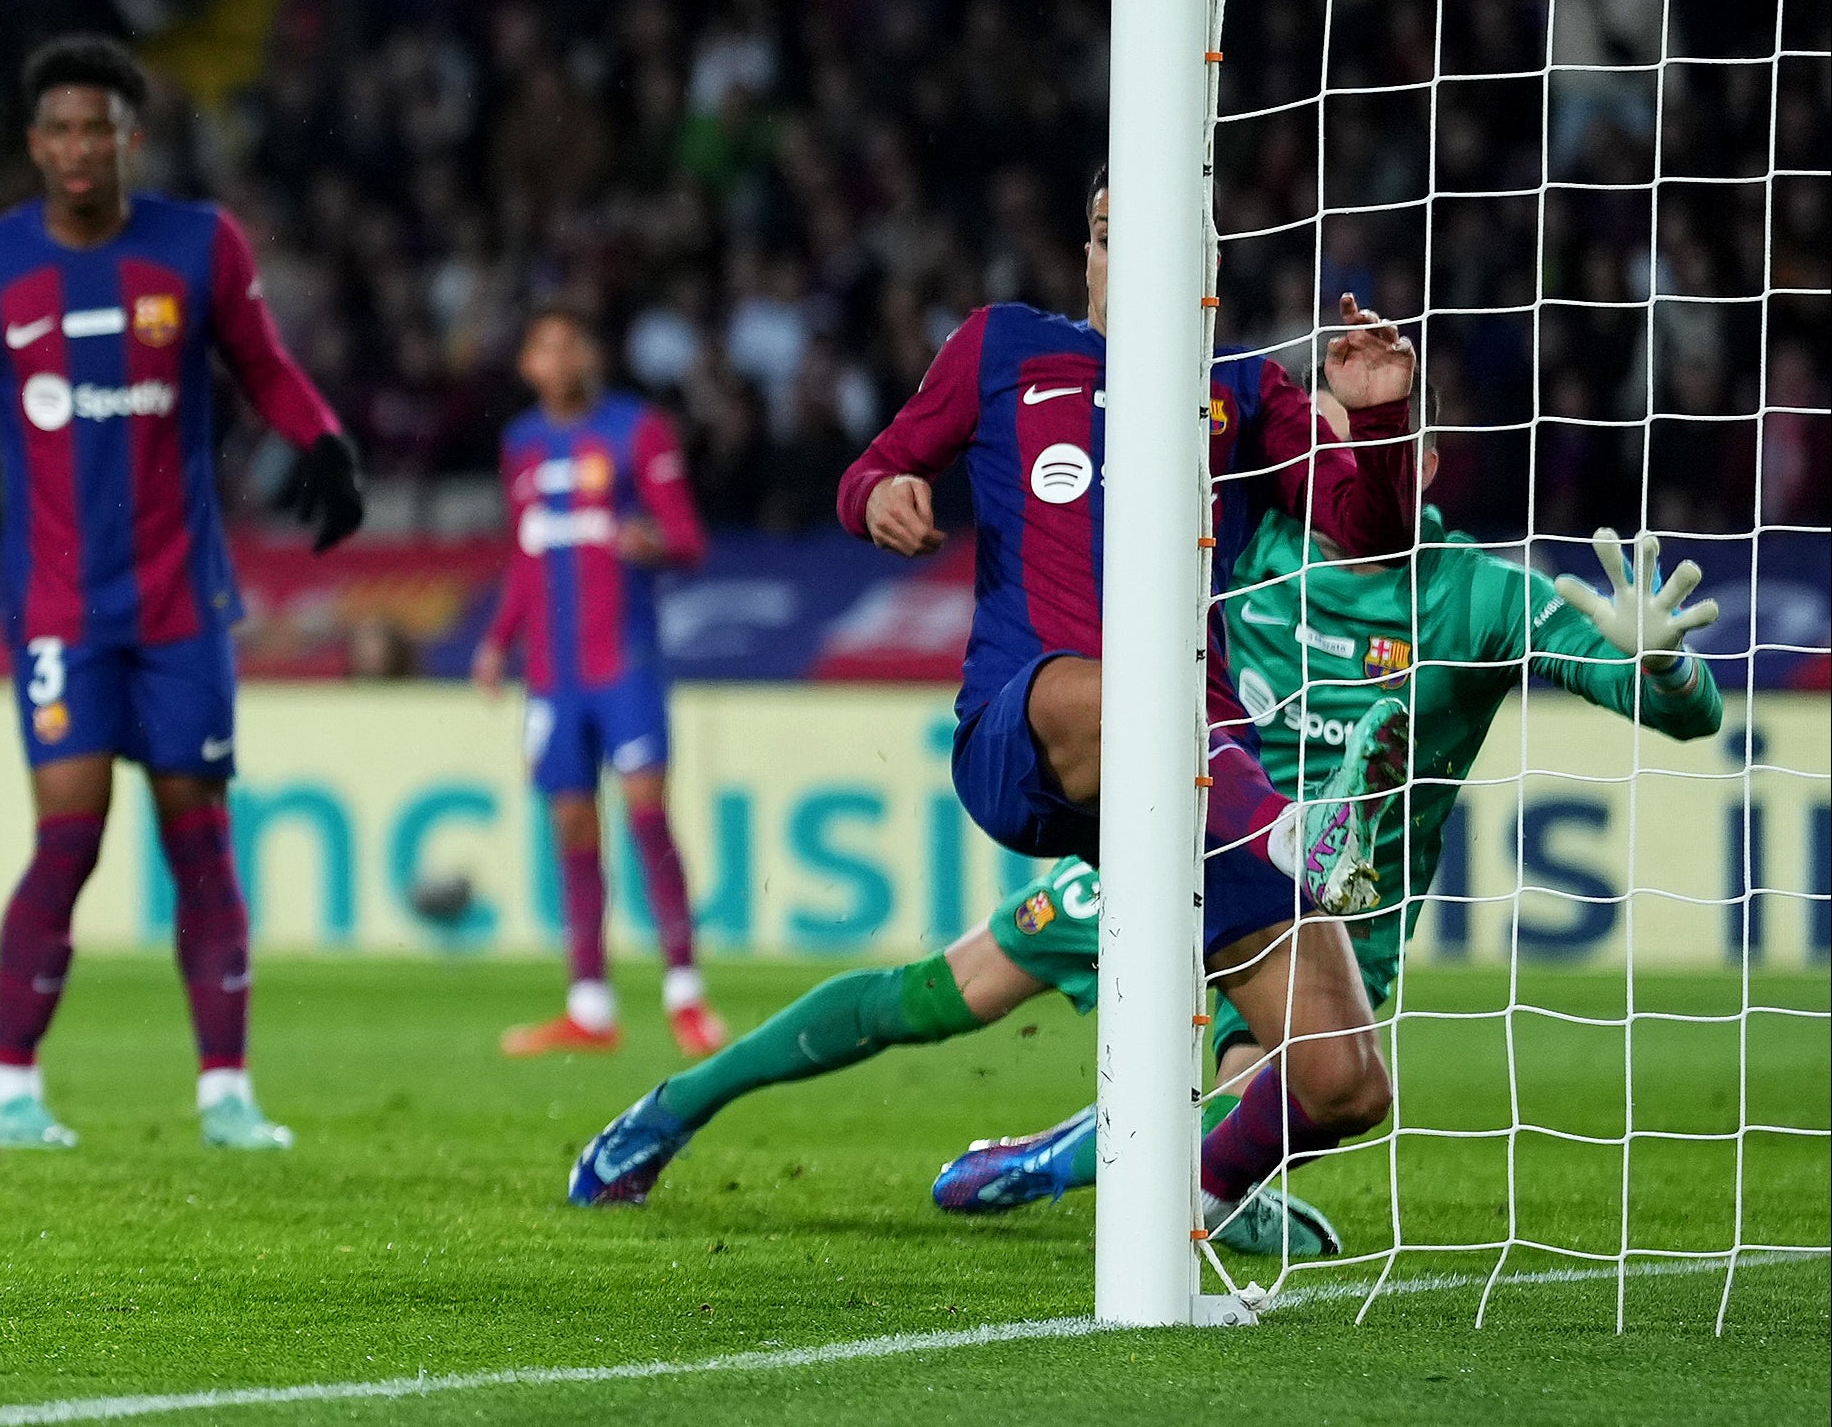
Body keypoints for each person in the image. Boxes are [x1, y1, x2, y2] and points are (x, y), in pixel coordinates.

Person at [571, 175, 1423, 1236]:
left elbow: (1374, 534)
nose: (1128, 261)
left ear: (1207, 265)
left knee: (1345, 1083)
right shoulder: (1004, 348)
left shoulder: (1245, 389)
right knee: (1134, 712)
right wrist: (878, 494)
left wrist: (1382, 409)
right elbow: (872, 468)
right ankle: (676, 1105)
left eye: (1155, 240)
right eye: (1109, 237)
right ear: (1085, 256)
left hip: (1199, 779)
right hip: (1032, 730)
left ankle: (1183, 1208)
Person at [931, 482, 1722, 1232]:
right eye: (1326, 437)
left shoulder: (1476, 593)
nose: (1351, 465)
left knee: (1300, 1090)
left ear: (1425, 466)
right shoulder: (1243, 552)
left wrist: (1662, 666)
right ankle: (1185, 1188)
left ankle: (1117, 1174)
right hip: (1200, 852)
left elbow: (1683, 715)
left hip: (1351, 912)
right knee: (956, 983)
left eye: (1381, 440)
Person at [0, 35, 363, 1153]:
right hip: (58, 607)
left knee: (198, 836)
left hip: (183, 600)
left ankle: (226, 1092)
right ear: (34, 144)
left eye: (98, 125)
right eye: (59, 129)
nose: (79, 146)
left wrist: (324, 444)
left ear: (129, 137)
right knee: (69, 836)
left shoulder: (197, 246)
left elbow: (262, 362)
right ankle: (6, 1087)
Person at [470, 301, 724, 1058]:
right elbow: (525, 554)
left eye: (571, 345)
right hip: (553, 674)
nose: (560, 359)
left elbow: (687, 538)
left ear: (590, 357)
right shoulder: (520, 444)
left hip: (624, 662)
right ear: (527, 366)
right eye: (544, 348)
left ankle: (685, 995)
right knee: (572, 827)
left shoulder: (636, 430)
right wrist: (495, 640)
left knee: (646, 814)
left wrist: (653, 543)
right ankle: (589, 1006)